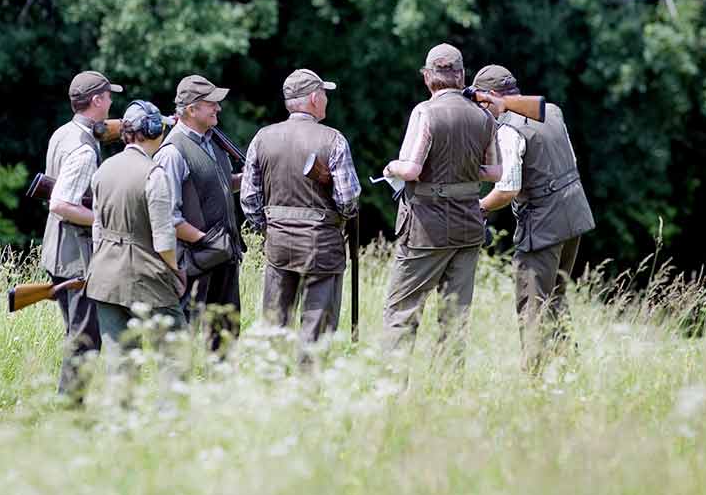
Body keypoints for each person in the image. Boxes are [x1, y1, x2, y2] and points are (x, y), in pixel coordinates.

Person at [381, 44, 500, 361]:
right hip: (468, 228)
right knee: (455, 318)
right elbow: (496, 171)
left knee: (401, 312)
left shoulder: (425, 112)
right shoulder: (484, 116)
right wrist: (463, 170)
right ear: (461, 76)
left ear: (427, 77)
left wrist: (391, 167)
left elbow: (411, 170)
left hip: (425, 229)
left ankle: (390, 392)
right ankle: (446, 394)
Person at [474, 64, 595, 374]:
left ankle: (536, 379)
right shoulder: (552, 111)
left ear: (490, 99)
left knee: (532, 307)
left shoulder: (509, 129)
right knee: (556, 299)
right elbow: (571, 162)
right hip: (574, 214)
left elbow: (508, 189)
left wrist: (479, 207)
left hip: (543, 224)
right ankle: (568, 371)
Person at [240, 69, 361, 346]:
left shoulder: (261, 137)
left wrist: (269, 227)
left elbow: (248, 198)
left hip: (279, 245)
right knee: (315, 331)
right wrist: (334, 221)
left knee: (274, 326)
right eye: (325, 95)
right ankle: (309, 384)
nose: (327, 101)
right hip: (322, 247)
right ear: (315, 98)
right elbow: (348, 200)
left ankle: (271, 382)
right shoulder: (334, 139)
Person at [41, 70, 121, 395]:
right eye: (108, 96)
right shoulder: (84, 150)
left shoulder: (64, 133)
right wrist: (103, 220)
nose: (112, 101)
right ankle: (70, 412)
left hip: (57, 250)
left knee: (76, 335)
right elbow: (60, 204)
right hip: (77, 257)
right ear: (97, 101)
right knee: (85, 339)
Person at [152, 75, 244, 352]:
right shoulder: (171, 152)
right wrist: (206, 242)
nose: (218, 108)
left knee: (226, 337)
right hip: (194, 261)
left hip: (222, 257)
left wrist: (248, 177)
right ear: (191, 109)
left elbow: (222, 185)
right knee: (185, 342)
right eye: (211, 103)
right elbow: (168, 216)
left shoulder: (213, 143)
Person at [86, 100, 184, 353]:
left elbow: (98, 229)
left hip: (104, 278)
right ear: (152, 130)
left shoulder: (103, 169)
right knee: (174, 357)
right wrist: (176, 272)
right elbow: (163, 240)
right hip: (147, 278)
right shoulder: (155, 174)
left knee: (119, 364)